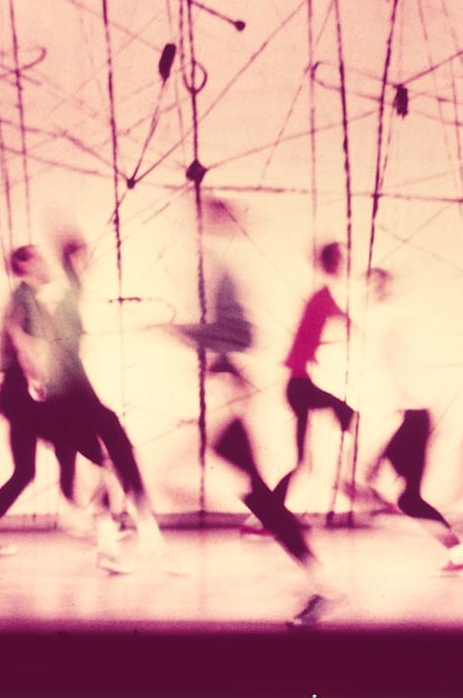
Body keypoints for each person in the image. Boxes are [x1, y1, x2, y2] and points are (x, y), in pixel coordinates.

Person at [173, 198, 340, 628]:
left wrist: (179, 332)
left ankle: (321, 581)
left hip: (231, 387)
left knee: (257, 492)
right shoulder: (219, 264)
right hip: (230, 385)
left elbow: (238, 333)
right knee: (254, 490)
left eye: (208, 216)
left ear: (222, 220)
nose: (199, 223)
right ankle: (318, 577)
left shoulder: (225, 268)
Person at [0, 246, 130, 573]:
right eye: (38, 258)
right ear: (24, 265)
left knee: (25, 470)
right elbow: (18, 336)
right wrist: (35, 378)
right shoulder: (23, 298)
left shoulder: (32, 300)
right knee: (90, 452)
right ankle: (87, 523)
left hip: (14, 395)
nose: (46, 263)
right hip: (21, 392)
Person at [47, 233, 169, 565]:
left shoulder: (69, 299)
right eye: (84, 257)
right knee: (116, 445)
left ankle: (108, 547)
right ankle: (145, 524)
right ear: (75, 259)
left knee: (104, 463)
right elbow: (64, 352)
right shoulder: (68, 300)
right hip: (69, 392)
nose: (89, 262)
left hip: (62, 396)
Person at [348, 269, 463, 572]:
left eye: (373, 286)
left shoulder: (392, 317)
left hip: (417, 417)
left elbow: (375, 333)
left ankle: (457, 549)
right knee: (394, 483)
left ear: (383, 287)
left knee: (407, 496)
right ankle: (391, 505)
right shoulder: (396, 320)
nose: (370, 292)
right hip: (413, 415)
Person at [269, 242, 358, 517]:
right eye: (340, 260)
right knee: (346, 413)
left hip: (299, 384)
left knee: (302, 462)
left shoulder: (322, 297)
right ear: (332, 264)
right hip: (299, 386)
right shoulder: (321, 297)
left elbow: (340, 321)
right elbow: (345, 321)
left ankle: (263, 517)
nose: (344, 265)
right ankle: (348, 481)